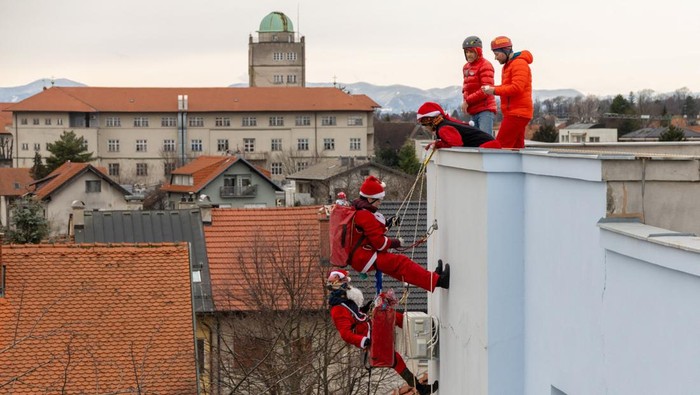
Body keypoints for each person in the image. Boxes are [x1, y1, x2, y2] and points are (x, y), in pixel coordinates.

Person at [327, 270, 438, 395]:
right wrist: (363, 341)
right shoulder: (338, 309)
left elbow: (356, 315)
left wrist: (365, 308)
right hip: (370, 336)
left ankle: (423, 329)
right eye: (345, 282)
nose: (349, 286)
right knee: (394, 360)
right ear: (339, 285)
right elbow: (345, 334)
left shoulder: (346, 301)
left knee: (392, 316)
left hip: (372, 327)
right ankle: (420, 388)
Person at [347, 175, 450, 292]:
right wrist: (397, 243)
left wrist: (388, 224)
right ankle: (438, 281)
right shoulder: (365, 215)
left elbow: (370, 232)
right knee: (402, 263)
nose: (380, 203)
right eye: (379, 200)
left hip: (361, 257)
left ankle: (433, 279)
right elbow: (380, 243)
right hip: (364, 257)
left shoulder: (359, 210)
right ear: (370, 199)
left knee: (397, 270)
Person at [481, 36, 534, 149]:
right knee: (516, 148)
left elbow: (517, 88)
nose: (495, 58)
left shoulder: (518, 64)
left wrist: (494, 90)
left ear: (505, 50)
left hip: (517, 113)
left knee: (500, 146)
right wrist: (492, 88)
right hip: (517, 113)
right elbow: (508, 87)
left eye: (497, 54)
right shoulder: (509, 65)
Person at [417, 101, 502, 150]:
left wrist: (437, 144)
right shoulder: (445, 124)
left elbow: (456, 143)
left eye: (424, 125)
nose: (426, 128)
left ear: (429, 121)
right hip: (489, 145)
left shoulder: (443, 128)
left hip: (487, 147)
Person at [461, 36, 497, 135]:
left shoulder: (485, 65)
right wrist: (465, 101)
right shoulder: (466, 67)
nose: (469, 55)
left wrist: (467, 101)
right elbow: (466, 88)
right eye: (467, 52)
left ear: (478, 51)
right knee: (475, 142)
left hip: (485, 110)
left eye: (471, 52)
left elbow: (486, 90)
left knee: (485, 141)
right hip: (473, 111)